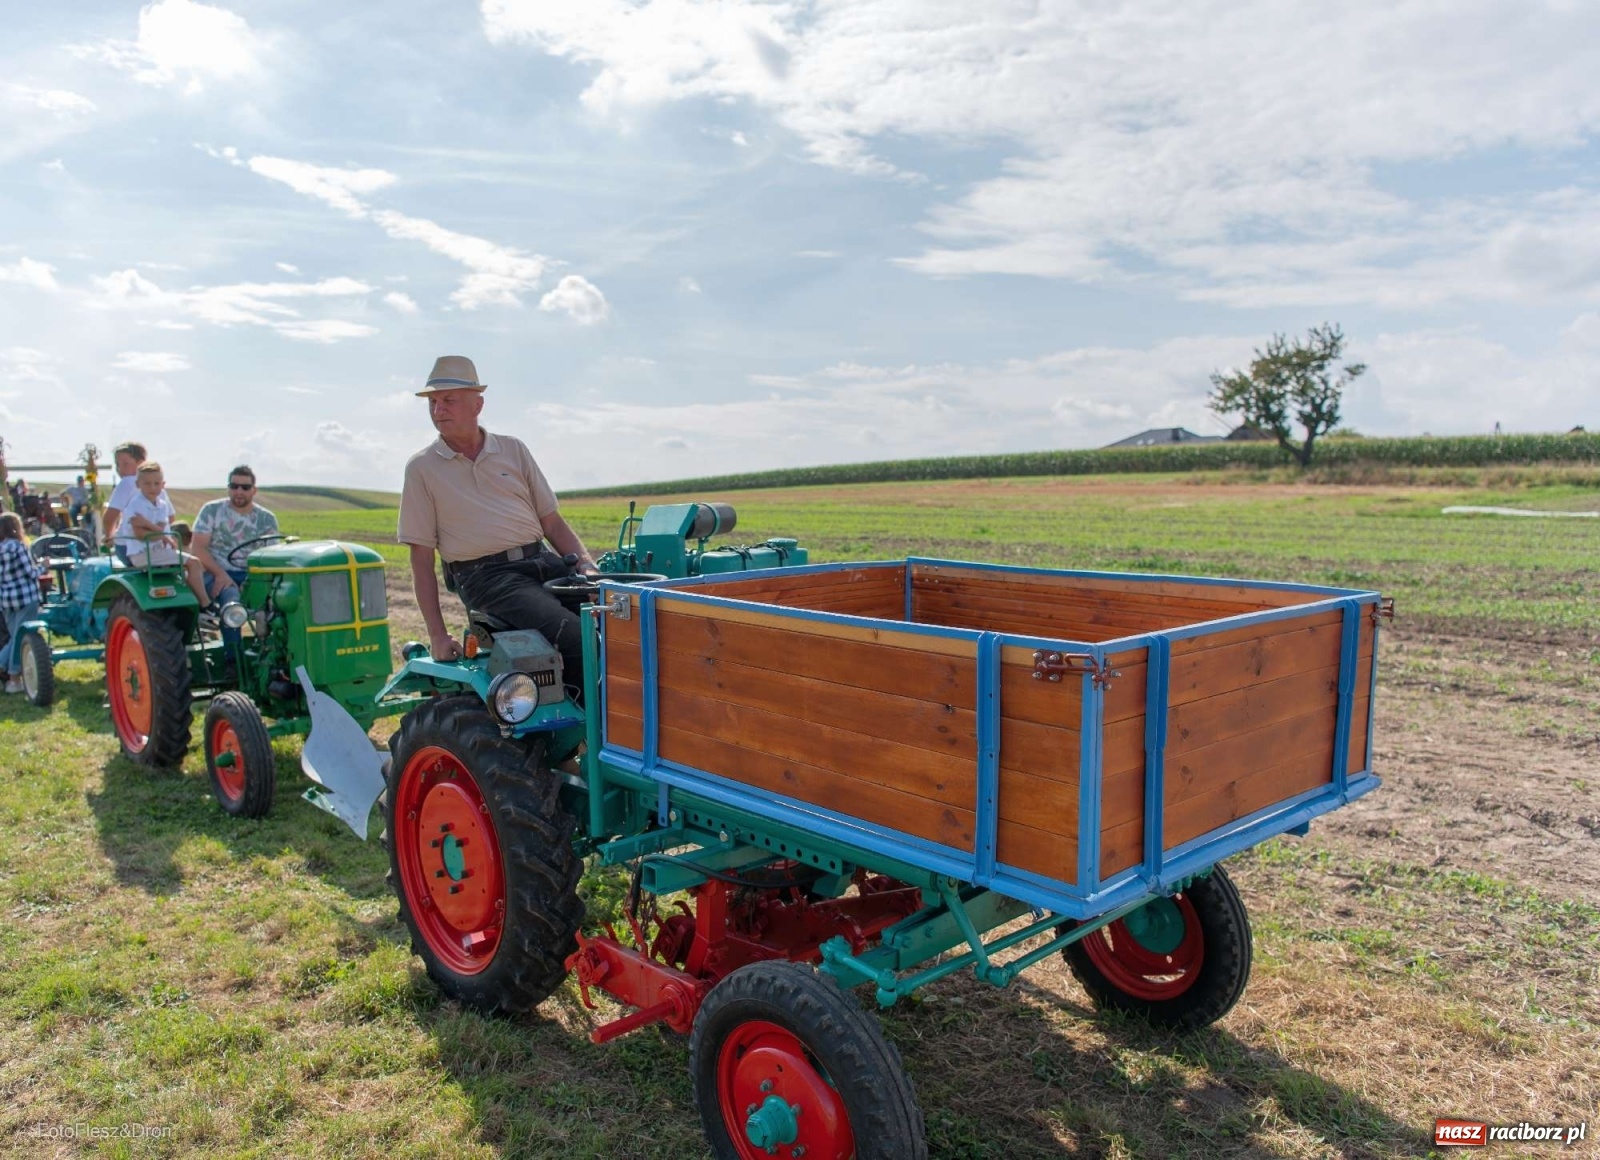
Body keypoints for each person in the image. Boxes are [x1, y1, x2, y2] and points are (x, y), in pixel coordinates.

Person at [397, 356, 598, 687]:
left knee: (615, 617)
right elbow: (421, 560)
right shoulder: (422, 468)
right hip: (488, 579)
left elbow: (552, 522)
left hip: (542, 561)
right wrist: (437, 634)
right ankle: (592, 727)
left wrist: (587, 565)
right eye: (432, 403)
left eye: (448, 401)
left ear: (478, 404)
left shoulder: (513, 449)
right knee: (574, 636)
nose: (437, 410)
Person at [116, 462, 211, 607]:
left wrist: (149, 525)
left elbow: (158, 528)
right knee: (194, 563)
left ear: (163, 484)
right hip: (142, 554)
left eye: (156, 483)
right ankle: (206, 604)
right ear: (138, 484)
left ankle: (193, 606)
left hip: (159, 551)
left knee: (188, 574)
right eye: (147, 483)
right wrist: (161, 534)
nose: (152, 488)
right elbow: (141, 535)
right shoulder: (136, 504)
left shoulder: (162, 504)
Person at [191, 465, 278, 607]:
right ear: (228, 488)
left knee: (282, 601)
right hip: (216, 572)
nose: (239, 491)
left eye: (245, 487)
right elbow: (198, 549)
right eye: (234, 486)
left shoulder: (267, 518)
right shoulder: (211, 511)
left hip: (253, 576)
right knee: (231, 603)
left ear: (254, 490)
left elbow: (271, 555)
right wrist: (220, 575)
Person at [0, 512, 45, 694]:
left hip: (6, 600)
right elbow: (31, 573)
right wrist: (45, 566)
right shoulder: (18, 547)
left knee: (14, 638)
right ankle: (13, 679)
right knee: (21, 639)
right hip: (25, 597)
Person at [103, 442, 165, 550]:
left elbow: (110, 518)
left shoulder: (126, 483)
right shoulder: (158, 488)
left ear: (141, 464)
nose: (120, 469)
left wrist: (109, 536)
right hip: (156, 544)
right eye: (117, 464)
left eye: (125, 464)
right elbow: (170, 517)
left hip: (128, 546)